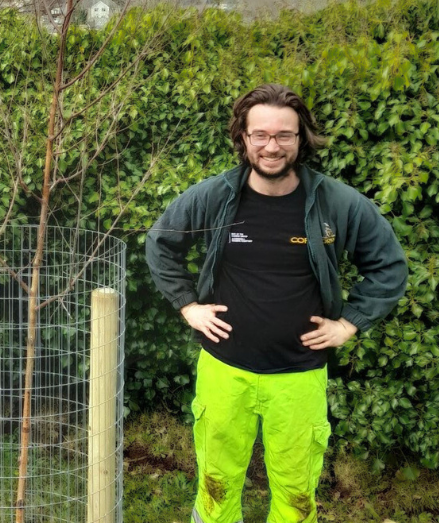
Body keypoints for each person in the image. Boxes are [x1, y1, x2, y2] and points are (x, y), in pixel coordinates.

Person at [145, 84, 407, 523]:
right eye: (260, 135)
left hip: (299, 376)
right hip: (224, 371)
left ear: (301, 138)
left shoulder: (338, 203)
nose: (272, 146)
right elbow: (160, 243)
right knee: (215, 487)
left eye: (284, 135)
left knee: (296, 496)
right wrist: (187, 305)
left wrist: (350, 323)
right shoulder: (215, 196)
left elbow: (389, 267)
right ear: (243, 138)